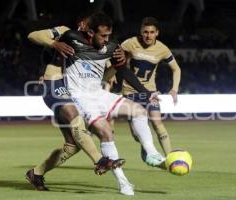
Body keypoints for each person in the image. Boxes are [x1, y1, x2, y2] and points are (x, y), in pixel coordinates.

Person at [60, 12, 166, 195]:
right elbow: (46, 47)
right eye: (103, 36)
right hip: (80, 97)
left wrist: (146, 94)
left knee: (139, 111)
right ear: (91, 32)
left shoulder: (111, 46)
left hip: (98, 93)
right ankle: (123, 183)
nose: (107, 39)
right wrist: (45, 68)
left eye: (109, 35)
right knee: (106, 133)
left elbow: (123, 71)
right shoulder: (71, 38)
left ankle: (151, 153)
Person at [25, 14, 126, 192]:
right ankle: (100, 161)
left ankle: (36, 173)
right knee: (73, 114)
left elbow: (102, 74)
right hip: (55, 84)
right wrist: (54, 43)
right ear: (82, 24)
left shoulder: (94, 47)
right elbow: (33, 35)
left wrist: (115, 68)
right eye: (86, 24)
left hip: (75, 92)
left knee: (72, 146)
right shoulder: (65, 32)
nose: (86, 28)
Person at [120, 17, 181, 157]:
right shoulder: (130, 43)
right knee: (136, 134)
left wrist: (174, 89)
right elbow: (114, 58)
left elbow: (176, 69)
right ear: (141, 32)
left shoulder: (162, 49)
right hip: (130, 92)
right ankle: (147, 147)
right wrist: (111, 74)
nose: (148, 35)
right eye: (145, 32)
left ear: (157, 33)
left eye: (151, 32)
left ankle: (170, 159)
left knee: (157, 123)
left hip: (150, 92)